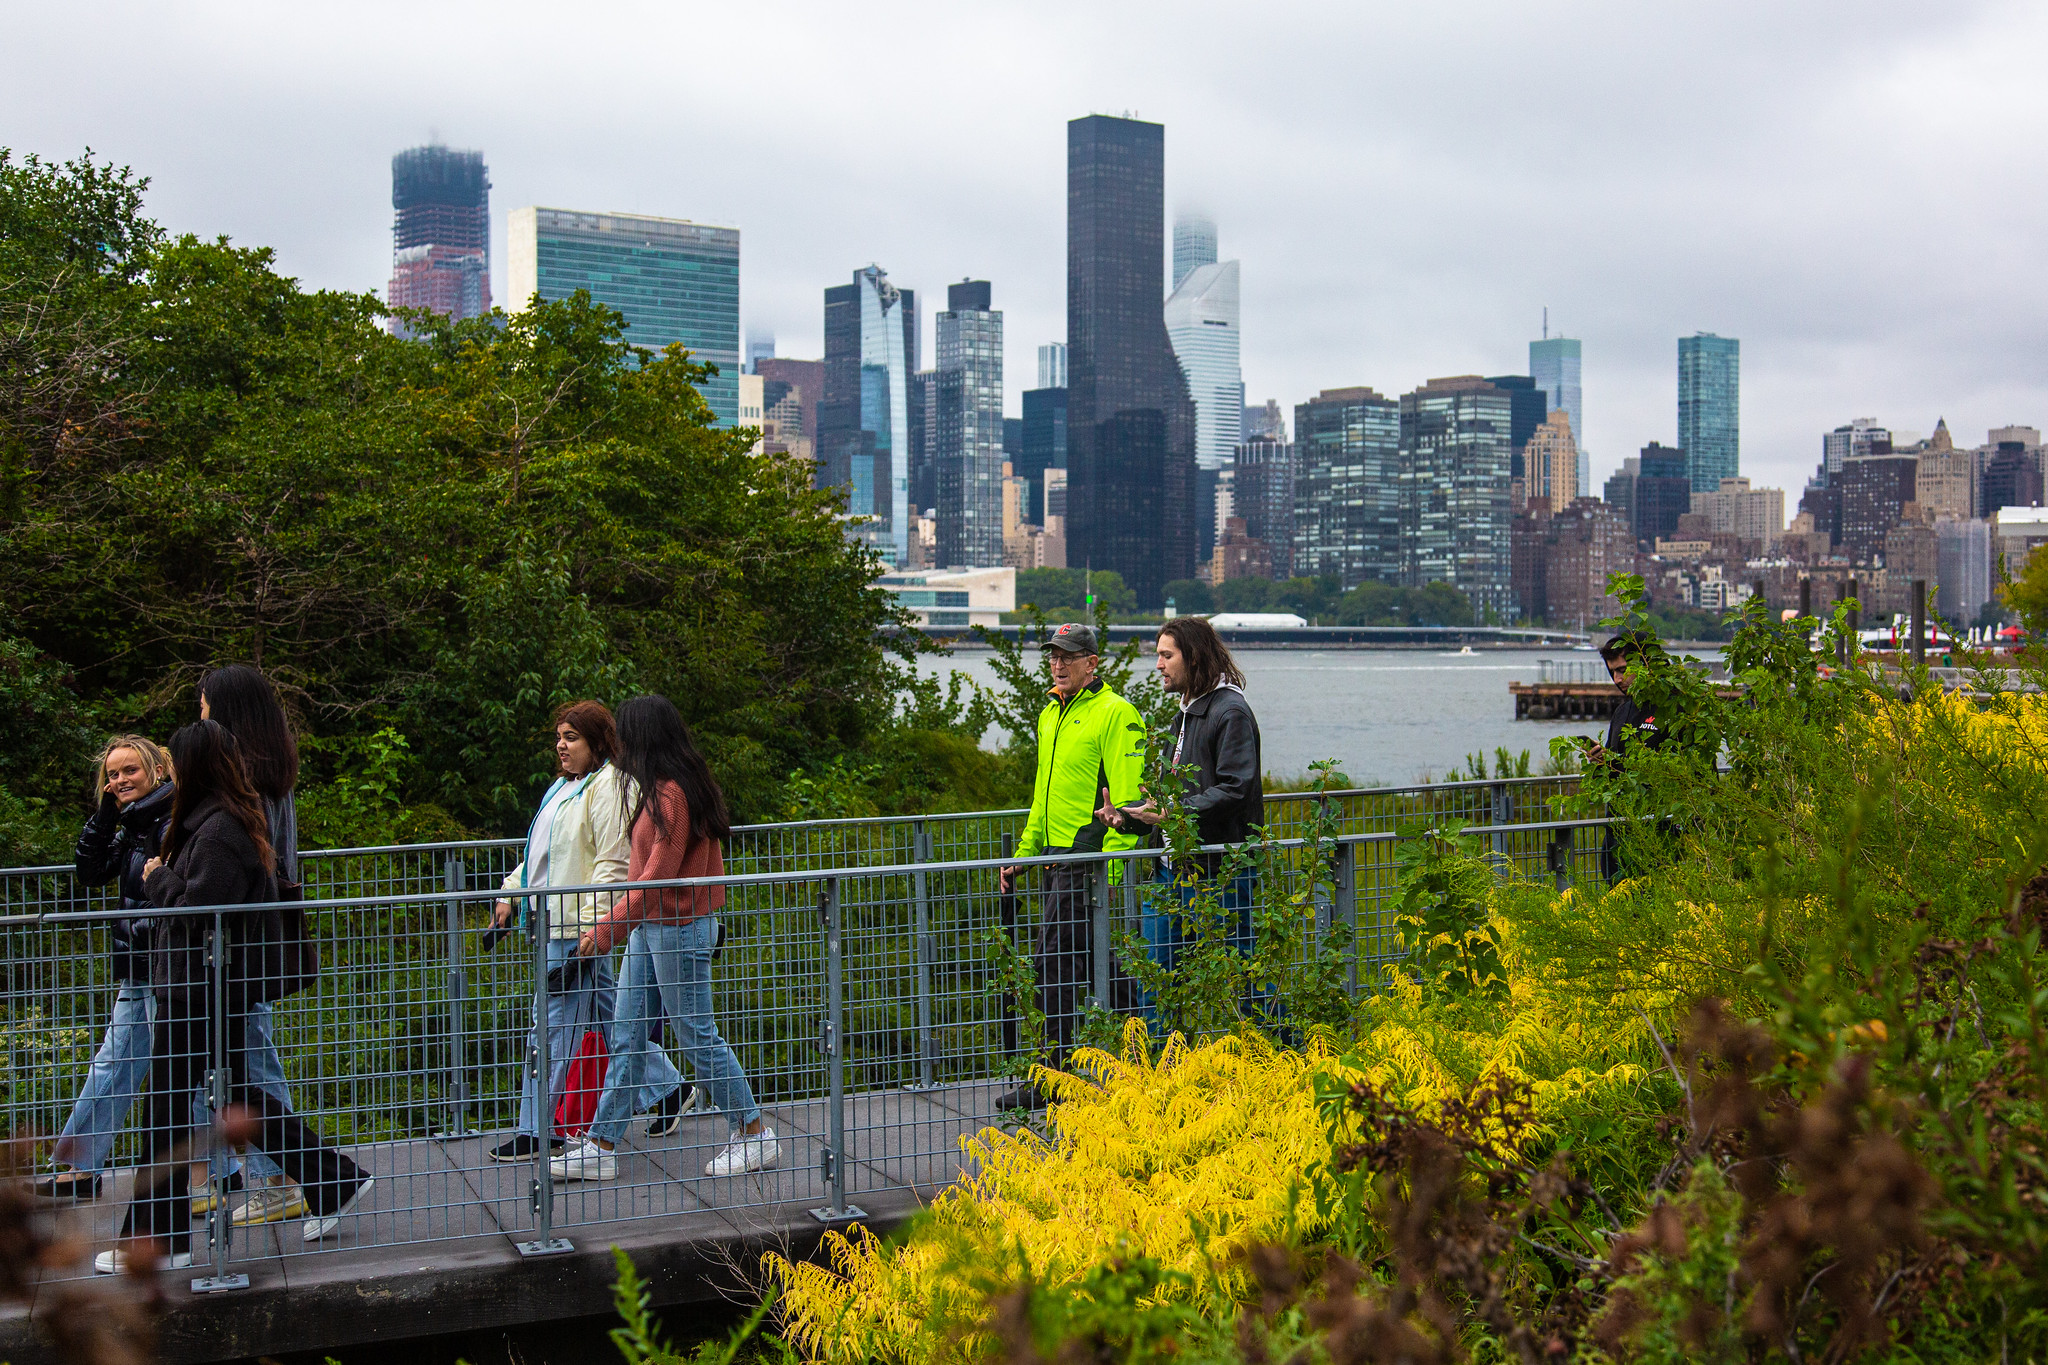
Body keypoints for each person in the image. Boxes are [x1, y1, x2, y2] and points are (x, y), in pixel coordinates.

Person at [99, 720, 371, 1274]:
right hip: (199, 986)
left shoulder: (220, 828)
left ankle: (154, 1244)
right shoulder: (217, 820)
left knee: (169, 1114)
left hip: (198, 988)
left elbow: (199, 909)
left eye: (177, 762)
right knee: (230, 1097)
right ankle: (331, 1177)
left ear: (195, 766)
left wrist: (156, 878)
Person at [550, 695, 778, 1181]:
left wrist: (606, 930)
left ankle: (755, 1133)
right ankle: (601, 1143)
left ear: (645, 736)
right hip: (654, 929)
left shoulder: (671, 793)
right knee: (628, 1035)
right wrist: (619, 927)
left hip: (677, 929)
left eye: (627, 733)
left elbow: (655, 877)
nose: (621, 744)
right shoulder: (659, 788)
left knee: (696, 1035)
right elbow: (649, 879)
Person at [486, 701, 684, 1163]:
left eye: (571, 737)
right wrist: (509, 894)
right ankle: (667, 1088)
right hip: (556, 926)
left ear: (597, 743)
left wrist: (593, 932)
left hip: (576, 932)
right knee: (611, 1022)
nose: (560, 745)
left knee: (549, 1030)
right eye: (558, 736)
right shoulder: (562, 788)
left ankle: (539, 1130)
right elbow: (539, 857)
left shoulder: (610, 786)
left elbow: (612, 866)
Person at [38, 736, 216, 1202]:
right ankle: (80, 1167)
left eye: (129, 771)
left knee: (178, 1069)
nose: (119, 780)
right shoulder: (133, 822)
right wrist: (104, 815)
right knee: (114, 1064)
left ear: (157, 769)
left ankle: (207, 1172)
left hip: (171, 968)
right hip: (140, 967)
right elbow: (90, 870)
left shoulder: (174, 819)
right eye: (112, 775)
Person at [995, 623, 1147, 1112]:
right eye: (1053, 656)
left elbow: (1128, 800)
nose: (1058, 664)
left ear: (1092, 662)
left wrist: (1117, 870)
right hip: (1055, 861)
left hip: (1089, 859)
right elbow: (1042, 797)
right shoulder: (1049, 715)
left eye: (1068, 656)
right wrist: (1023, 857)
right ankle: (1149, 1056)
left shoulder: (1116, 713)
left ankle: (1054, 1077)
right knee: (1097, 966)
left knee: (1049, 963)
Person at [195, 665, 305, 1226]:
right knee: (235, 1056)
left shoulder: (239, 775)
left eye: (206, 704)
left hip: (237, 937)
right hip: (262, 927)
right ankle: (224, 1178)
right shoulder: (272, 766)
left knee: (250, 1058)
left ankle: (282, 1180)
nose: (201, 714)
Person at [1099, 616, 1264, 986]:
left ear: (1194, 657)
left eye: (1166, 655)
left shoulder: (1229, 713)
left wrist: (1172, 812)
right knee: (1154, 977)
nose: (1158, 665)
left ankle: (1275, 1043)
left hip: (1220, 869)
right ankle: (1160, 1046)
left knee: (1240, 976)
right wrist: (1126, 819)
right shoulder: (1185, 715)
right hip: (1170, 868)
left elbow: (1236, 787)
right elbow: (1167, 804)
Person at [1588, 631, 1671, 884]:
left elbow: (1672, 771)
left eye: (1623, 669)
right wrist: (1603, 762)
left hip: (1663, 830)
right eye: (1612, 672)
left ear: (1647, 663)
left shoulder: (1676, 707)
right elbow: (1620, 771)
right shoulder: (1622, 711)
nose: (1618, 679)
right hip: (1620, 829)